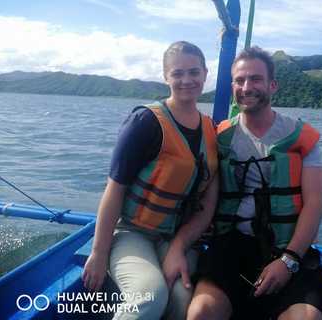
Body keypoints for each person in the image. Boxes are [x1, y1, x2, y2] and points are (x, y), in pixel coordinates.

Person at [187, 46, 322, 320]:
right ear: (232, 86)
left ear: (272, 85)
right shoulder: (222, 137)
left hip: (290, 247)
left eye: (255, 79)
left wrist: (288, 261)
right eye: (240, 80)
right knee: (200, 314)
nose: (246, 87)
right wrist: (204, 224)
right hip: (233, 245)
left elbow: (315, 204)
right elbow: (207, 195)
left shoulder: (301, 136)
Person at [81, 41, 219, 320]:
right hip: (133, 232)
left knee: (183, 298)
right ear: (165, 76)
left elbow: (209, 199)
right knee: (150, 294)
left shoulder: (210, 129)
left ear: (205, 74)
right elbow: (115, 190)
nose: (186, 80)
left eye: (194, 72)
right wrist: (98, 253)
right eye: (177, 73)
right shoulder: (144, 122)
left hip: (176, 237)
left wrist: (179, 246)